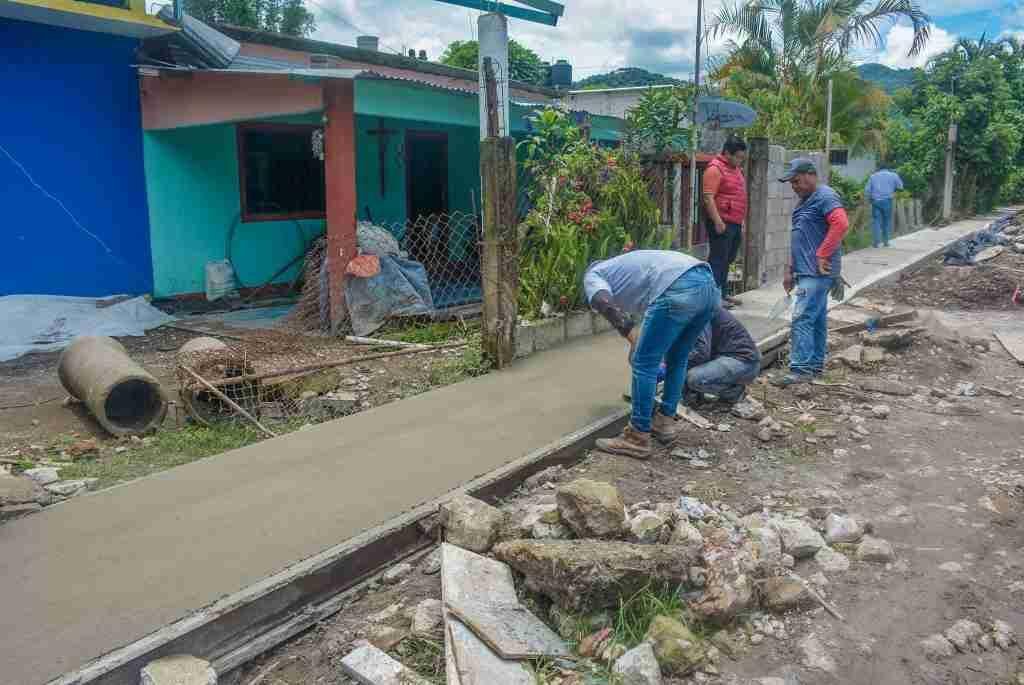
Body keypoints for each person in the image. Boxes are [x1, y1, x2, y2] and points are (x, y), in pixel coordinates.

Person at [585, 250, 719, 459]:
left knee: (643, 362)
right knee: (678, 357)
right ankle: (665, 423)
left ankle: (637, 436)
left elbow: (605, 304)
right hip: (708, 286)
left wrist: (633, 339)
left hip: (677, 285)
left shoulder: (594, 274)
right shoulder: (625, 269)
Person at [773, 159, 850, 387]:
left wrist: (822, 254)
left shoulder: (825, 196)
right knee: (815, 320)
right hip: (806, 272)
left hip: (817, 273)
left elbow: (841, 224)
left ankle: (800, 369)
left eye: (796, 181)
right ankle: (814, 366)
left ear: (810, 175)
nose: (794, 186)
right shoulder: (805, 201)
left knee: (802, 318)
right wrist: (790, 270)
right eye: (791, 183)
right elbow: (799, 237)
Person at [703, 138, 749, 308]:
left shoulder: (735, 169)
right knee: (718, 259)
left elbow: (738, 195)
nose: (740, 160)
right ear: (727, 153)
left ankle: (722, 293)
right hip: (721, 221)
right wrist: (717, 221)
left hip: (734, 222)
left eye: (742, 157)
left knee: (728, 259)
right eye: (737, 157)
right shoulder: (715, 169)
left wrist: (741, 221)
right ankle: (713, 297)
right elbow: (708, 197)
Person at [685, 308, 761, 404]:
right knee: (686, 368)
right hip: (731, 358)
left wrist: (672, 366)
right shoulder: (697, 306)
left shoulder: (700, 312)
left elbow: (701, 353)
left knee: (694, 378)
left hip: (743, 362)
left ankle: (734, 392)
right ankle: (696, 395)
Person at [865, 165, 904, 248]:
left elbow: (867, 190)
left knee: (876, 221)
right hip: (888, 201)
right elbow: (900, 186)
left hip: (876, 201)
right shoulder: (893, 175)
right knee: (886, 221)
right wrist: (893, 189)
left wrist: (869, 199)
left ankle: (876, 243)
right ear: (887, 168)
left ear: (879, 169)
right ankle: (886, 242)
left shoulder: (873, 176)